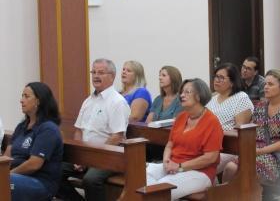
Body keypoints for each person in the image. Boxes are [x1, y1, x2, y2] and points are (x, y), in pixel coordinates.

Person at [57, 58, 130, 201]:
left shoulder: (117, 102)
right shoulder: (88, 101)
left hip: (110, 156)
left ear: (112, 76)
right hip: (86, 155)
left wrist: (90, 158)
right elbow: (78, 131)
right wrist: (79, 155)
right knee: (53, 171)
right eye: (93, 72)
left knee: (91, 180)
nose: (96, 76)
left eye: (101, 72)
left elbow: (117, 137)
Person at [146, 78, 224, 200]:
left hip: (199, 172)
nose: (181, 95)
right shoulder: (181, 117)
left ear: (198, 96)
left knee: (160, 189)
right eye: (182, 92)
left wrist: (180, 166)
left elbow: (211, 157)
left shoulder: (212, 122)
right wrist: (166, 161)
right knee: (141, 175)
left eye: (187, 92)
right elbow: (170, 144)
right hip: (174, 166)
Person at [223, 69, 280, 185]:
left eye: (270, 84)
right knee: (230, 167)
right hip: (255, 151)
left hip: (276, 155)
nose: (265, 87)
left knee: (250, 172)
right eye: (265, 84)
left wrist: (261, 151)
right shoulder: (260, 106)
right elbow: (252, 129)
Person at [3, 82, 63, 201]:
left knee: (3, 183)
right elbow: (7, 156)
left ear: (38, 101)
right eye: (22, 96)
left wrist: (7, 176)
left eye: (26, 96)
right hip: (15, 177)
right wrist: (3, 172)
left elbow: (34, 164)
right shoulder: (21, 126)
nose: (21, 100)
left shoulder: (48, 129)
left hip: (40, 182)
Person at [207, 62, 253, 130]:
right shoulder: (211, 99)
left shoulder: (241, 98)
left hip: (228, 138)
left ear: (232, 82)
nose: (217, 80)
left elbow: (241, 132)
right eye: (216, 76)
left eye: (221, 78)